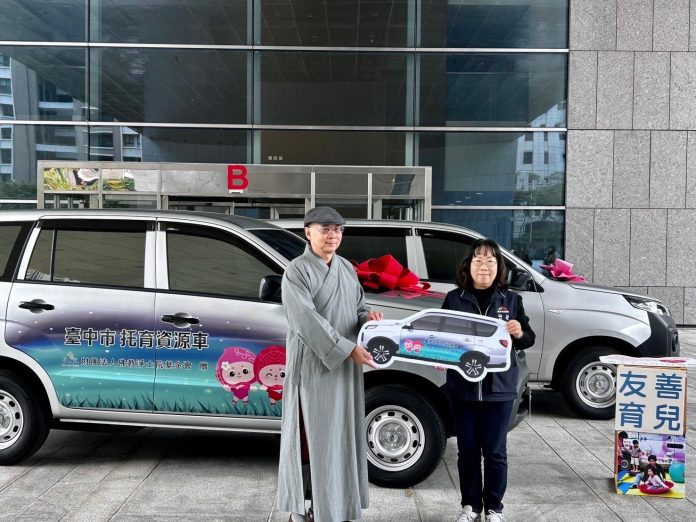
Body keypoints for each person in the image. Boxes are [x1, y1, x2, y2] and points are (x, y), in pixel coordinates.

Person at [276, 206, 383, 522]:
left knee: (341, 437)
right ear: (308, 232)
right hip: (313, 368)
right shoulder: (297, 271)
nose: (332, 235)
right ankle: (302, 508)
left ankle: (338, 505)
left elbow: (358, 307)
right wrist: (347, 349)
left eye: (337, 229)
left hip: (345, 369)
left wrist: (368, 319)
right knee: (309, 439)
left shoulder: (346, 268)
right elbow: (306, 320)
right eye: (325, 229)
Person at [442, 238, 535, 522]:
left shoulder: (512, 300)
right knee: (467, 451)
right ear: (468, 266)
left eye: (490, 261)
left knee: (495, 453)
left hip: (500, 389)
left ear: (499, 267)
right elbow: (442, 338)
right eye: (478, 260)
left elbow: (528, 340)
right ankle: (471, 507)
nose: (484, 265)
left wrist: (519, 332)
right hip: (463, 389)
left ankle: (494, 508)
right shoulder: (454, 299)